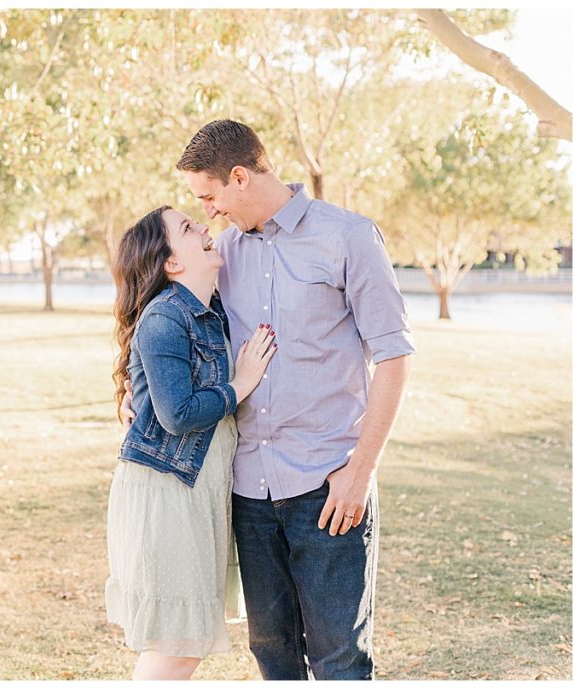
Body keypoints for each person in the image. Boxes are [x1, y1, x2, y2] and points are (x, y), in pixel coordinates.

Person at [121, 120, 414, 680]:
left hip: (327, 485)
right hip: (247, 492)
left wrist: (360, 471)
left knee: (340, 660)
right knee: (273, 658)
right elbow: (161, 321)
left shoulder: (348, 237)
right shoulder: (221, 255)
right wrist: (137, 397)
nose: (209, 213)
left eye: (209, 197)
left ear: (238, 177)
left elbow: (395, 358)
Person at [106, 205, 277, 680]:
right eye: (188, 228)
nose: (205, 227)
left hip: (197, 489)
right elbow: (177, 414)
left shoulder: (214, 309)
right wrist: (239, 386)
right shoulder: (165, 317)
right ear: (171, 263)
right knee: (177, 645)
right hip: (167, 492)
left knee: (183, 643)